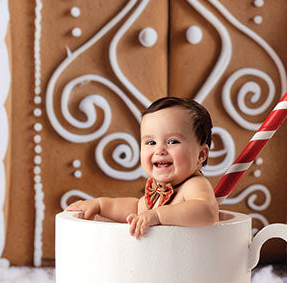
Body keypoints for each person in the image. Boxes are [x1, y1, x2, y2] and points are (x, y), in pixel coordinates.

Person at [66, 97, 219, 238]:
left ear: (201, 155)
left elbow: (207, 211)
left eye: (172, 142)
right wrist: (101, 205)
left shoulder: (194, 185)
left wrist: (157, 216)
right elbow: (135, 208)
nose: (159, 150)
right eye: (151, 143)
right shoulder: (157, 190)